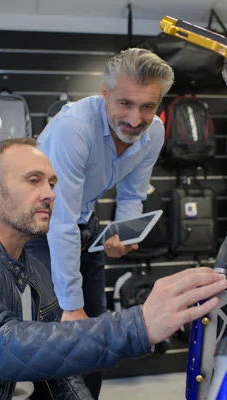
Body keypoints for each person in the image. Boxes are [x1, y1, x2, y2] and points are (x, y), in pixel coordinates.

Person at [0, 138, 227, 400]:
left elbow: (59, 373)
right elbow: (0, 347)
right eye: (33, 180)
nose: (51, 193)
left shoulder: (35, 271)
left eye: (52, 183)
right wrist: (139, 324)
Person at [25, 48, 173, 397]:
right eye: (125, 103)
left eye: (148, 106)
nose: (135, 119)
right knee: (58, 345)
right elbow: (58, 224)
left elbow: (133, 192)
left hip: (83, 224)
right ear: (105, 94)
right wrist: (70, 306)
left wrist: (122, 232)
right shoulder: (73, 128)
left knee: (96, 342)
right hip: (41, 232)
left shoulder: (155, 132)